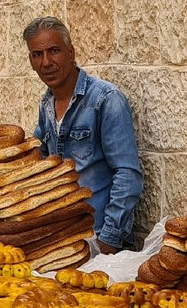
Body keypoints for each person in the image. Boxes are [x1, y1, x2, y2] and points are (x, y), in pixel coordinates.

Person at [23, 16, 143, 254]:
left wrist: (108, 240)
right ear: (31, 61)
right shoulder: (47, 105)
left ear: (71, 52)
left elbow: (128, 174)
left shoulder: (105, 100)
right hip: (64, 241)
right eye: (37, 55)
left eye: (54, 51)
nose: (46, 62)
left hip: (100, 239)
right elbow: (39, 164)